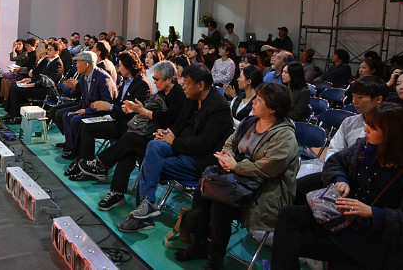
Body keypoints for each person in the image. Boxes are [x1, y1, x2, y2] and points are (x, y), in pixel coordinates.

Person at [272, 102, 403, 270]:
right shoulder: (365, 146)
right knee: (288, 217)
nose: (366, 130)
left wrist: (372, 212)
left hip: (372, 236)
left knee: (288, 242)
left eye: (372, 128)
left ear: (392, 135)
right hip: (342, 215)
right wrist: (340, 179)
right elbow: (335, 162)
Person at [174, 82, 299, 268]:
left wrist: (236, 166)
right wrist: (228, 158)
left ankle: (215, 259)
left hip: (263, 192)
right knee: (203, 190)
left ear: (273, 108)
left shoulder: (285, 136)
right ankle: (197, 244)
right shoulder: (250, 122)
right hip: (238, 181)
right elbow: (229, 143)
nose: (253, 102)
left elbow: (268, 168)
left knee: (220, 206)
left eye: (259, 100)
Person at [117, 64, 233, 233]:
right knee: (154, 145)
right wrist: (167, 133)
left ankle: (143, 216)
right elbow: (179, 125)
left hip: (200, 161)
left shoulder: (219, 107)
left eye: (186, 83)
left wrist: (173, 141)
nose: (183, 87)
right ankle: (147, 206)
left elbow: (204, 143)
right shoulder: (192, 98)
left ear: (200, 85)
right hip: (183, 149)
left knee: (149, 164)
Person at [78, 61, 185, 209]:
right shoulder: (162, 92)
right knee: (127, 150)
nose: (154, 81)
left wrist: (141, 111)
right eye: (154, 78)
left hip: (163, 141)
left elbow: (167, 118)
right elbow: (151, 111)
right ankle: (115, 191)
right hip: (150, 133)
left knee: (129, 140)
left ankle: (103, 166)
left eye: (157, 79)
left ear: (169, 79)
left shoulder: (178, 95)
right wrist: (135, 109)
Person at [294, 76, 389, 204]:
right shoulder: (350, 122)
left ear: (378, 99)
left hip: (364, 181)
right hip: (340, 173)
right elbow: (334, 151)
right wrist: (337, 176)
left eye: (360, 97)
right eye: (354, 96)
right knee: (297, 188)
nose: (354, 101)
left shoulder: (387, 127)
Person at [63, 50, 150, 163]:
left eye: (120, 65)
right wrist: (109, 107)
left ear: (128, 67)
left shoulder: (141, 84)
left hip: (127, 124)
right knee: (84, 124)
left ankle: (85, 161)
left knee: (86, 127)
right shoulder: (126, 81)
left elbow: (131, 111)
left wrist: (110, 107)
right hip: (116, 117)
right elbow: (117, 103)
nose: (118, 69)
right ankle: (79, 158)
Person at [59, 51, 117, 158]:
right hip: (87, 108)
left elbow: (106, 104)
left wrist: (86, 111)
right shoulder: (83, 77)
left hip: (100, 113)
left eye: (78, 63)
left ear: (86, 64)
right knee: (66, 116)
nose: (76, 66)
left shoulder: (103, 78)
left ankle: (77, 153)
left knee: (75, 120)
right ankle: (71, 147)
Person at [3, 40, 63, 118]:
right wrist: (30, 80)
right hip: (41, 86)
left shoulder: (57, 64)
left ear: (57, 51)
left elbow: (49, 81)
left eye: (50, 50)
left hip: (46, 90)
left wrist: (32, 84)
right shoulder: (51, 61)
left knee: (16, 90)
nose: (48, 51)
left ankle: (14, 115)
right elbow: (42, 77)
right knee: (14, 87)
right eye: (48, 49)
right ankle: (10, 114)